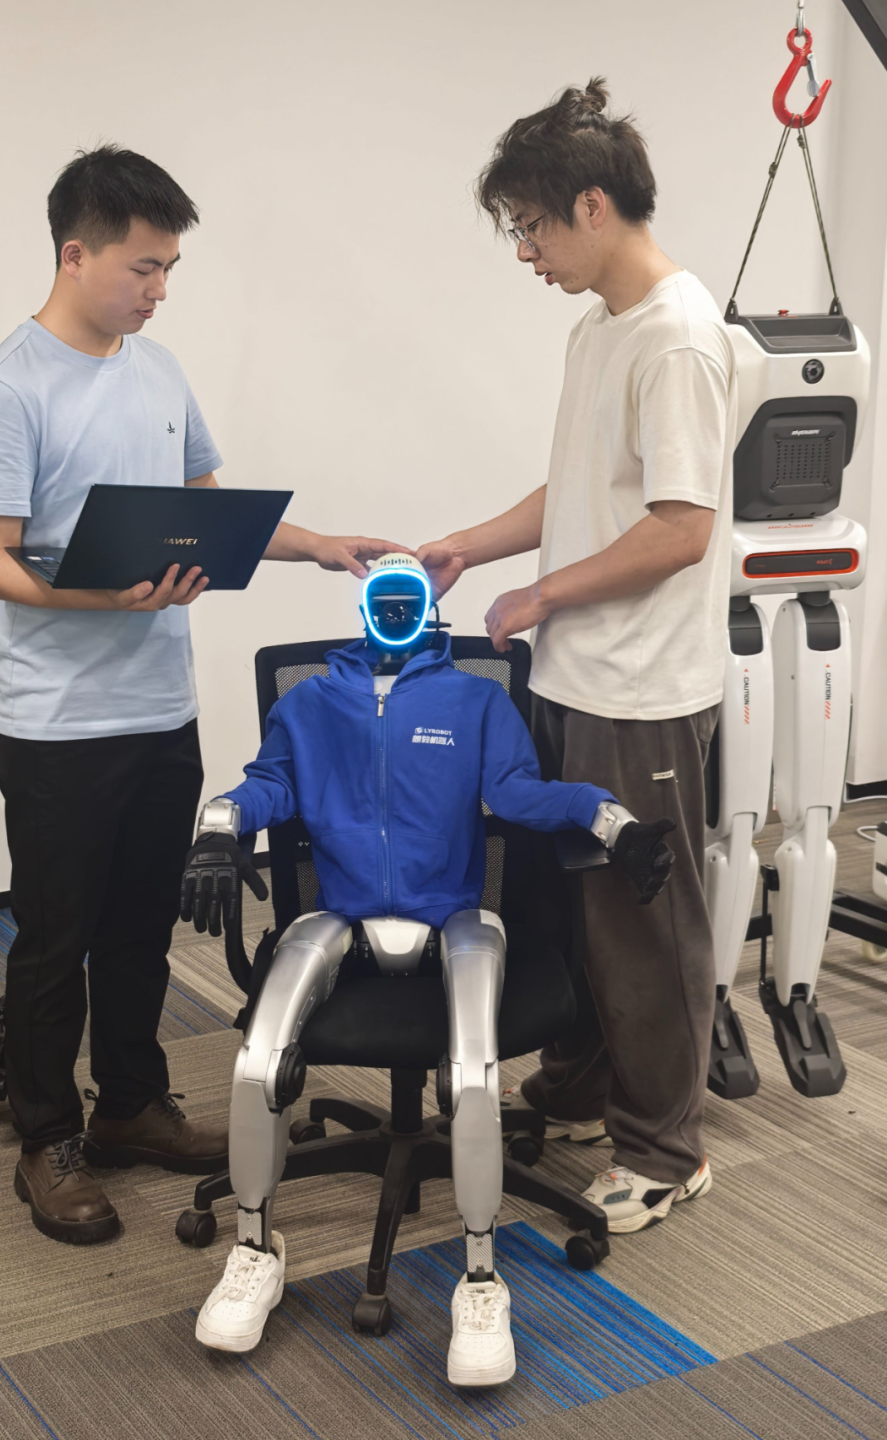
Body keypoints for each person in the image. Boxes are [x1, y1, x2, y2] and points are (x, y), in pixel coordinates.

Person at [0, 145, 406, 1245]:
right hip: (57, 721)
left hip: (161, 707)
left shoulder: (158, 373)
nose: (159, 290)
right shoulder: (6, 391)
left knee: (140, 928)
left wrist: (317, 545)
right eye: (143, 268)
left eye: (169, 270)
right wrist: (102, 598)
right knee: (55, 938)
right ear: (76, 255)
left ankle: (130, 1104)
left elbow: (210, 513)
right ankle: (46, 1139)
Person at [179, 554, 675, 1384]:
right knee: (258, 1059)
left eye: (410, 600)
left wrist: (611, 821)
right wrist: (218, 829)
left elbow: (521, 793)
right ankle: (256, 1250)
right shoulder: (309, 703)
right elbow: (267, 785)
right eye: (384, 600)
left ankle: (480, 1281)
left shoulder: (476, 700)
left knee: (474, 1074)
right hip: (339, 916)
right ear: (364, 607)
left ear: (432, 611)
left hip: (454, 916)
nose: (396, 613)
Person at [417, 80, 736, 1235]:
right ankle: (587, 1087)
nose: (526, 252)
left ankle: (665, 1149)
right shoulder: (600, 326)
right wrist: (474, 543)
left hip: (642, 690)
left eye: (532, 227)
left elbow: (680, 527)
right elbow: (585, 486)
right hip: (574, 673)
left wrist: (544, 591)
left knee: (646, 925)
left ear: (592, 206)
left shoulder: (680, 339)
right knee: (579, 911)